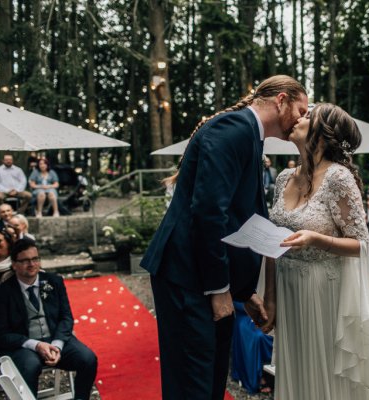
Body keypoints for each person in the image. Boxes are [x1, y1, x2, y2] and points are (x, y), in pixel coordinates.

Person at [140, 75, 308, 400]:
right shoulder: (233, 128)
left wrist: (244, 292)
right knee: (193, 383)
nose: (302, 119)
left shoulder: (250, 136)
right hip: (188, 276)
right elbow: (208, 212)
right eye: (301, 110)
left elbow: (238, 217)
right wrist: (218, 288)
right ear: (282, 100)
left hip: (208, 278)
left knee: (213, 378)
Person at [264, 103, 369, 399]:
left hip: (325, 293)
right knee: (301, 372)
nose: (297, 117)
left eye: (307, 116)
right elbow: (273, 242)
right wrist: (270, 298)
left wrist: (317, 240)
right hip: (288, 289)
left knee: (333, 380)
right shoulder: (283, 178)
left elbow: (362, 245)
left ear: (323, 134)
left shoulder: (338, 178)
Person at [0, 238, 97, 399]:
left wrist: (57, 345)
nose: (32, 264)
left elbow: (66, 318)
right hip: (23, 346)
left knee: (88, 359)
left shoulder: (54, 282)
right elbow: (2, 335)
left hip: (55, 339)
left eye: (35, 259)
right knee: (31, 366)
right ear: (14, 264)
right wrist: (36, 345)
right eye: (25, 260)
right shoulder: (2, 293)